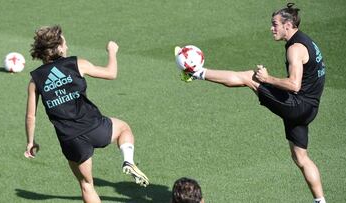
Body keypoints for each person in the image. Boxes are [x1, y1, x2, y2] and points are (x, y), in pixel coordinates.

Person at [177, 3, 326, 203]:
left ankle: (195, 72)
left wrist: (267, 78)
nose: (271, 28)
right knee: (301, 157)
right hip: (310, 107)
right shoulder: (307, 42)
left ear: (288, 25)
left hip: (297, 105)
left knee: (249, 77)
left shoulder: (295, 48)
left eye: (275, 24)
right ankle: (320, 201)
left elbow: (294, 84)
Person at [25, 25, 149, 203]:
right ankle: (128, 160)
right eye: (65, 43)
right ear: (58, 47)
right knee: (123, 128)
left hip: (70, 139)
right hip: (95, 127)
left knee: (86, 185)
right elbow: (111, 73)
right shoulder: (76, 64)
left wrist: (30, 141)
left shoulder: (35, 80)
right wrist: (112, 51)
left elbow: (31, 116)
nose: (67, 46)